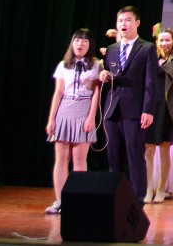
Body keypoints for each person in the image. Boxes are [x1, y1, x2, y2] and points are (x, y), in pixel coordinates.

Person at [100, 6, 159, 203]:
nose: (123, 24)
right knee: (113, 156)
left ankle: (137, 200)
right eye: (120, 21)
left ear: (137, 23)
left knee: (134, 155)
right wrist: (105, 76)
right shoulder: (111, 50)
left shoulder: (147, 48)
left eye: (127, 20)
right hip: (112, 109)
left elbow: (151, 82)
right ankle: (115, 197)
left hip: (135, 110)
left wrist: (148, 110)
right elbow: (112, 76)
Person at [45, 29, 102, 215]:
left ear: (89, 45)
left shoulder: (95, 65)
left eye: (84, 41)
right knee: (61, 159)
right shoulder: (63, 65)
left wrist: (91, 117)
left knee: (79, 160)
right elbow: (58, 92)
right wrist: (52, 119)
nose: (80, 44)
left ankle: (77, 199)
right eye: (77, 40)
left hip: (84, 109)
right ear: (72, 43)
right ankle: (60, 200)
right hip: (65, 109)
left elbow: (96, 93)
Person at [146, 24, 173, 204]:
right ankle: (148, 189)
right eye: (161, 40)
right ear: (156, 42)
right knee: (148, 149)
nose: (164, 43)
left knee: (165, 149)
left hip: (167, 109)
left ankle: (162, 189)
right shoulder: (150, 58)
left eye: (167, 40)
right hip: (149, 108)